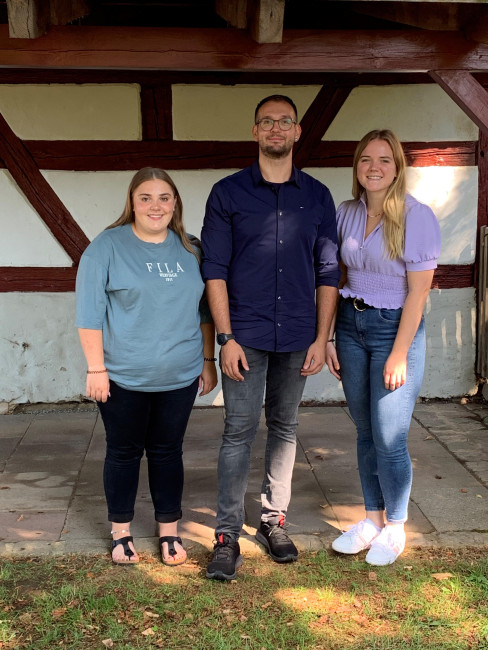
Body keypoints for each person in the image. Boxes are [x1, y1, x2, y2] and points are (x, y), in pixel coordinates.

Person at [201, 94, 340, 581]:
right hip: (246, 333)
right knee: (238, 429)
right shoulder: (228, 193)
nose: (276, 129)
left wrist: (323, 337)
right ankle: (224, 535)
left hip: (300, 334)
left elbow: (328, 272)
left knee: (284, 427)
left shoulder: (318, 196)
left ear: (298, 131)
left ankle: (272, 521)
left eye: (285, 122)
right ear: (255, 131)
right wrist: (225, 338)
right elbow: (213, 269)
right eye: (267, 122)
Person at [75, 167, 217, 566]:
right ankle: (121, 531)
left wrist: (208, 362)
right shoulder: (106, 247)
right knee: (123, 452)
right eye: (146, 198)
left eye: (164, 197)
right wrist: (96, 368)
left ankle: (169, 530)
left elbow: (204, 310)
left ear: (176, 203)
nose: (156, 206)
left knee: (168, 451)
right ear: (132, 203)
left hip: (181, 374)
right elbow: (89, 313)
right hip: (122, 376)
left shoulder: (191, 248)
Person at [326, 129, 441, 566]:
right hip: (351, 325)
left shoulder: (417, 216)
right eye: (366, 160)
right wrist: (334, 334)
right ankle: (371, 519)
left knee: (389, 435)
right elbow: (337, 278)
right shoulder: (347, 212)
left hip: (395, 329)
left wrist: (398, 352)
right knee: (364, 430)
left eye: (384, 160)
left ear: (397, 168)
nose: (374, 168)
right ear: (357, 167)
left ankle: (395, 526)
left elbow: (418, 293)